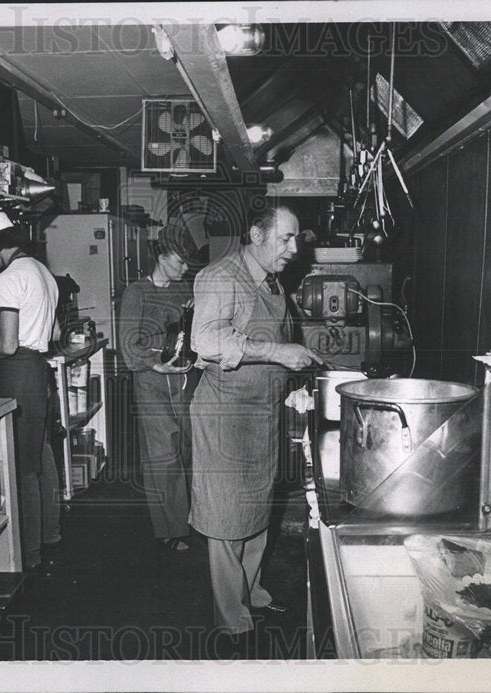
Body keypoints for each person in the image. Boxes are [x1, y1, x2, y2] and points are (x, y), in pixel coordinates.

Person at [189, 203, 322, 640]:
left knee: (256, 509)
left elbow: (275, 339)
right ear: (257, 235)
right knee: (226, 517)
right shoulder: (220, 277)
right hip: (227, 415)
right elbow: (205, 340)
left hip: (262, 412)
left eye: (297, 237)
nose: (294, 247)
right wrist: (279, 354)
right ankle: (232, 621)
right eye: (286, 238)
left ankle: (252, 592)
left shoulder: (273, 281)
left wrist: (293, 379)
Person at [0, 210, 62, 574]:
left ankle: (30, 553)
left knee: (21, 467)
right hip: (39, 371)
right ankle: (50, 534)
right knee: (42, 456)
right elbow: (51, 335)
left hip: (19, 372)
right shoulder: (42, 272)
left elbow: (6, 345)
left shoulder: (8, 278)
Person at [118, 220, 196, 552]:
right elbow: (127, 343)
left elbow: (189, 330)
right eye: (180, 261)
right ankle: (170, 531)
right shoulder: (137, 292)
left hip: (182, 379)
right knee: (162, 456)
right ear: (163, 257)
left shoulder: (183, 290)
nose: (185, 267)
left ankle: (194, 519)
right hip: (151, 380)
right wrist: (152, 363)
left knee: (189, 449)